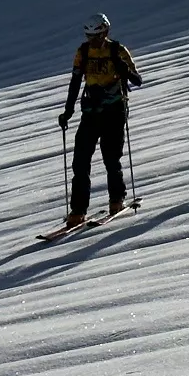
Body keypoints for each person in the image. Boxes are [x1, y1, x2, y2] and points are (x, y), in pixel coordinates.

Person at [58, 14, 144, 228]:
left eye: (95, 36)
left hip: (114, 111)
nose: (92, 40)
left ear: (105, 32)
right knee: (80, 161)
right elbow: (75, 81)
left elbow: (137, 80)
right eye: (89, 36)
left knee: (111, 158)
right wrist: (68, 111)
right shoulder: (84, 52)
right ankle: (78, 211)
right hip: (91, 112)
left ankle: (117, 199)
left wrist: (122, 68)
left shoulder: (117, 50)